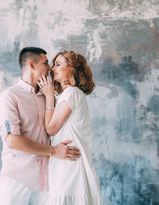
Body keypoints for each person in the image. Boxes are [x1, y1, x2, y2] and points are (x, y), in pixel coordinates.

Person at [0, 47, 81, 205]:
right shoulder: (10, 96)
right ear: (31, 65)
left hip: (48, 179)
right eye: (46, 63)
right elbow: (12, 140)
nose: (50, 68)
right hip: (17, 177)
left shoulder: (50, 97)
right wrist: (54, 151)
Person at [38, 50, 103, 205]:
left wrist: (48, 96)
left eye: (58, 64)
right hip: (66, 163)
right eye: (53, 64)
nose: (53, 69)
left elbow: (51, 128)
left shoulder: (72, 93)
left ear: (72, 68)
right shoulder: (67, 95)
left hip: (70, 166)